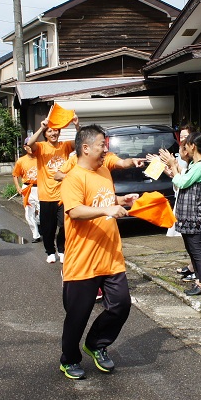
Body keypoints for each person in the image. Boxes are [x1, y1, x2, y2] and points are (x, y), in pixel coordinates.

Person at [57, 124, 139, 380]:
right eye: (102, 145)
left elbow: (103, 199)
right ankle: (69, 359)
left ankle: (96, 344)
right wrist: (107, 211)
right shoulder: (73, 177)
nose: (106, 149)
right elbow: (75, 211)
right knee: (77, 315)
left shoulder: (103, 171)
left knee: (121, 305)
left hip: (111, 255)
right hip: (83, 260)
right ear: (85, 148)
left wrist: (120, 201)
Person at [160, 132, 201, 296]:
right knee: (193, 249)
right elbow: (181, 180)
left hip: (192, 216)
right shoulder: (194, 166)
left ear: (193, 146)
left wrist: (172, 165)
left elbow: (181, 182)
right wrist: (172, 166)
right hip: (187, 215)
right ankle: (199, 280)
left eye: (186, 145)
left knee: (197, 250)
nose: (184, 148)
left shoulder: (200, 166)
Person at [26, 115, 80, 264]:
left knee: (65, 224)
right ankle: (50, 251)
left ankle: (62, 249)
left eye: (55, 130)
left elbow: (81, 143)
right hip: (45, 195)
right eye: (49, 131)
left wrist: (76, 125)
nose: (53, 133)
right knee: (48, 228)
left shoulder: (65, 145)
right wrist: (42, 127)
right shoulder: (41, 147)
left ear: (59, 132)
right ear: (46, 134)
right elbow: (30, 143)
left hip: (63, 194)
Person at [11, 145, 41, 242]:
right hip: (27, 188)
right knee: (29, 213)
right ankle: (36, 235)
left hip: (41, 187)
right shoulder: (21, 161)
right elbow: (15, 175)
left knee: (43, 211)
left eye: (34, 146)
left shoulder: (41, 158)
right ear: (25, 147)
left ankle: (38, 222)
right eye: (29, 146)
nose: (32, 148)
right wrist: (18, 187)